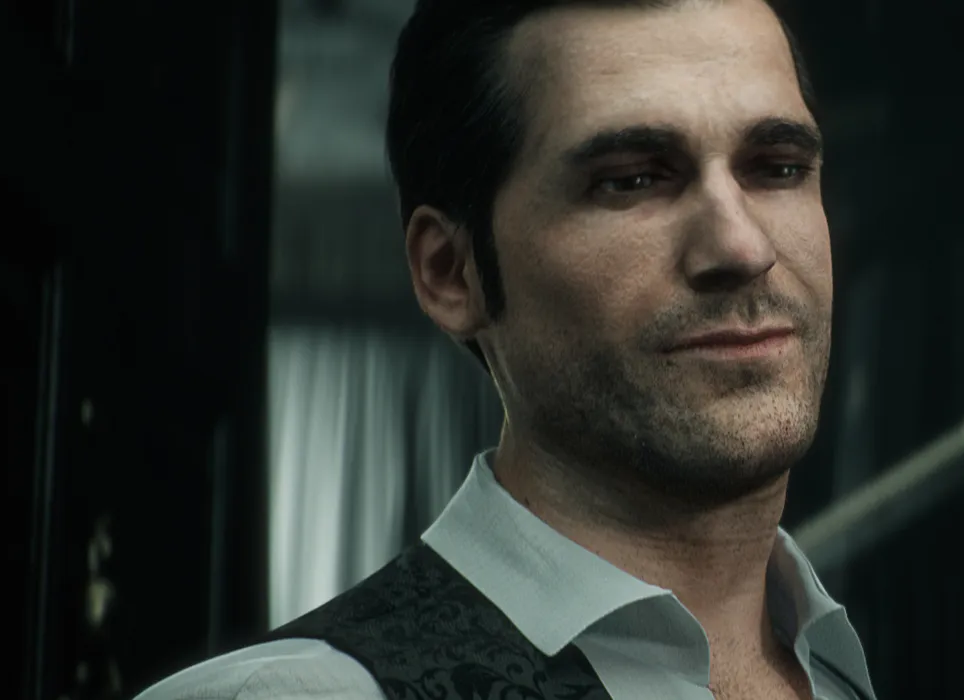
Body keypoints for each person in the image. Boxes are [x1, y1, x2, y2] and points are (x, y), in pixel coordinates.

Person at [134, 0, 876, 698]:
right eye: (632, 180)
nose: (742, 248)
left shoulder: (840, 675)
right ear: (451, 273)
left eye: (778, 168)